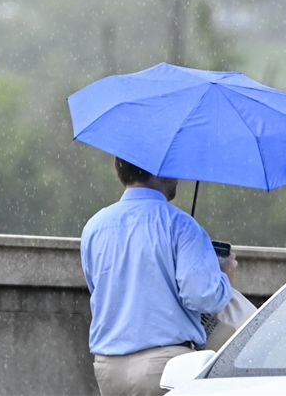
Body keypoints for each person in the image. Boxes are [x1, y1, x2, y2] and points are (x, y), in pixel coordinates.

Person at [80, 157, 237, 396]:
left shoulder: (94, 227)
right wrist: (224, 278)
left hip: (108, 368)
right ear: (158, 171)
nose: (179, 177)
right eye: (173, 167)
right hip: (165, 368)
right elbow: (201, 296)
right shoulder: (182, 225)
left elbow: (98, 289)